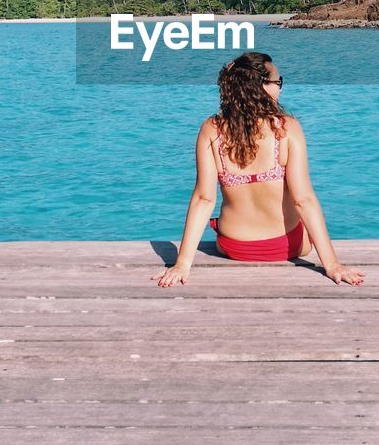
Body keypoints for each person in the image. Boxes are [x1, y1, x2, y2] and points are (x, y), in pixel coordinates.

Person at [151, 51, 364, 288]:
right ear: (259, 87)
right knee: (304, 223)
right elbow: (303, 200)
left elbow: (203, 199)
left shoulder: (212, 130)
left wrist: (182, 263)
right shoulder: (287, 128)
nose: (280, 88)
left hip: (233, 246)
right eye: (277, 82)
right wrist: (332, 265)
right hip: (289, 246)